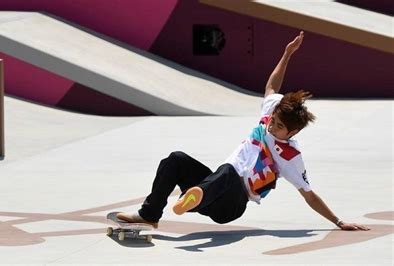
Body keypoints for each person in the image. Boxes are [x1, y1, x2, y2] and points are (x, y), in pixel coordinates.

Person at [117, 31, 370, 231]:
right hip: (213, 186)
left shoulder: (290, 157)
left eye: (279, 127)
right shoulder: (271, 112)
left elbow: (309, 195)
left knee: (228, 172)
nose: (272, 126)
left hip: (231, 205)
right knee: (175, 159)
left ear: (292, 133)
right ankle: (150, 215)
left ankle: (197, 197)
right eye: (273, 122)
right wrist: (287, 54)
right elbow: (272, 86)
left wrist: (338, 222)